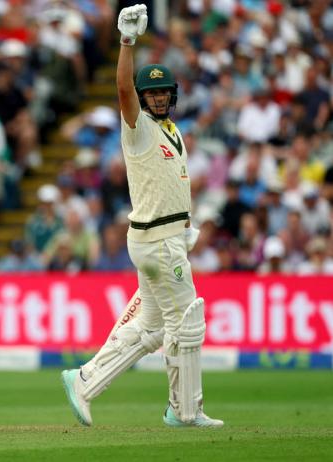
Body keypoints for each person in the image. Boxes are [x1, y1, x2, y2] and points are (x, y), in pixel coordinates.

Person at [61, 4, 223, 428]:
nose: (157, 98)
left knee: (152, 327)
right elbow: (122, 91)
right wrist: (127, 43)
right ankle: (184, 411)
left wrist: (184, 228)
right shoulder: (139, 128)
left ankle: (85, 380)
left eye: (162, 93)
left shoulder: (172, 129)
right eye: (151, 93)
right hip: (155, 241)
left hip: (165, 236)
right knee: (186, 323)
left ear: (172, 95)